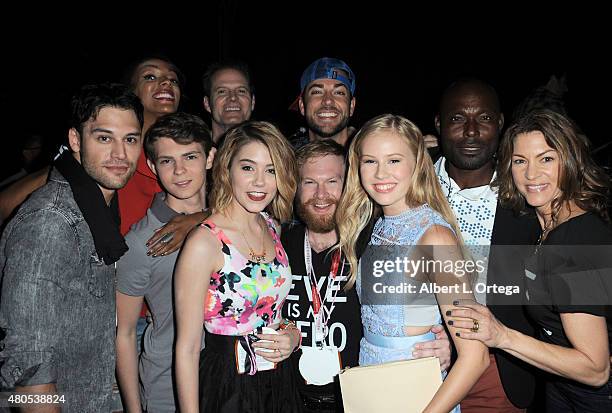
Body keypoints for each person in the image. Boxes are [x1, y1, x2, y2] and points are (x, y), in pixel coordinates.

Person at [450, 109, 612, 412]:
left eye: (546, 159)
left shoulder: (576, 241)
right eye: (520, 161)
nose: (531, 174)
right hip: (560, 386)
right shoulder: (546, 227)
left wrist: (502, 336)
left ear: (571, 160)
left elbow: (595, 368)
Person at [0, 83, 143, 412]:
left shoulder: (96, 211)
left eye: (130, 139)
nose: (120, 154)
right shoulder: (50, 222)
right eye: (104, 138)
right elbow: (29, 368)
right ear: (75, 141)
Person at [282, 140, 452, 412]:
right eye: (309, 182)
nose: (321, 194)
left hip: (358, 396)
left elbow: (424, 304)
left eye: (333, 181)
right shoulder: (277, 243)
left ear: (350, 184)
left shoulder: (374, 243)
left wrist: (442, 343)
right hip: (286, 395)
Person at [336, 114, 490, 412]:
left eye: (394, 160)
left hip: (419, 397)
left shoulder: (434, 236)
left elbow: (475, 356)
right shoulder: (371, 226)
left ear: (417, 163)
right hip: (371, 389)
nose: (381, 173)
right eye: (370, 161)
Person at [174, 121, 302, 412]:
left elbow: (274, 313)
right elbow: (187, 348)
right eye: (248, 168)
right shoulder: (204, 242)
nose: (260, 182)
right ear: (226, 168)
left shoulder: (272, 227)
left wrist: (292, 335)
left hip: (279, 381)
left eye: (271, 170)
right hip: (226, 385)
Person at [433, 78, 539, 411]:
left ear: (500, 123)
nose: (471, 130)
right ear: (438, 124)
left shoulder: (528, 195)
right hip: (418, 359)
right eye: (456, 118)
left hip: (498, 373)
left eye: (484, 118)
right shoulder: (405, 184)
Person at [115, 112, 215, 412]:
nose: (180, 171)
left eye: (190, 157)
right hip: (167, 386)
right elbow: (125, 333)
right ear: (151, 166)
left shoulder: (232, 219)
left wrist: (200, 217)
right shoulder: (141, 242)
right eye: (167, 160)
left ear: (210, 157)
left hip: (229, 382)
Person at [289, 57, 356, 149]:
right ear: (302, 106)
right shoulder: (284, 160)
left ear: (351, 106)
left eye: (339, 92)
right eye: (317, 92)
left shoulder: (371, 153)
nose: (328, 100)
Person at [202, 60, 255, 144]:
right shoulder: (193, 150)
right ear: (207, 103)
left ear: (253, 102)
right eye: (222, 92)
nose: (233, 97)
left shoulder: (269, 151)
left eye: (241, 91)